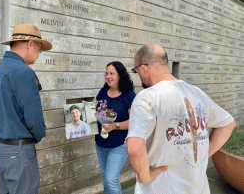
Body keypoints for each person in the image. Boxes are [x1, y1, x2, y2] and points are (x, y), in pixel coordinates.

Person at [126, 44, 236, 194]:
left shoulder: (147, 97)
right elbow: (228, 124)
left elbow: (134, 148)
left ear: (144, 68)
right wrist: (205, 155)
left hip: (160, 188)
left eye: (136, 70)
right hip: (198, 188)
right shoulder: (197, 93)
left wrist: (145, 177)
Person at [0, 24, 52, 194]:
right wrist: (39, 134)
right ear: (30, 43)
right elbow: (33, 118)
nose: (39, 55)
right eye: (40, 49)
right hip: (19, 152)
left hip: (1, 149)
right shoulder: (23, 72)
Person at [95, 61, 136, 194]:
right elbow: (93, 110)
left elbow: (135, 121)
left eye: (112, 73)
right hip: (101, 142)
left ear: (120, 76)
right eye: (106, 73)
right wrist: (85, 107)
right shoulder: (103, 92)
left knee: (111, 178)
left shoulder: (129, 95)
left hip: (120, 144)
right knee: (106, 177)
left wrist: (115, 126)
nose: (108, 76)